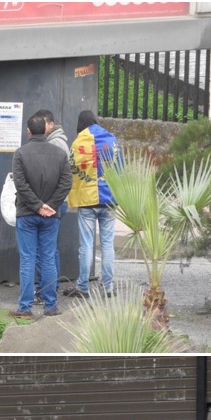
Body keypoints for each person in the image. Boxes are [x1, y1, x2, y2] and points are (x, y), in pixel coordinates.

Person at [11, 114, 72, 319]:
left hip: (26, 214)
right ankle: (50, 306)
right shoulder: (60, 154)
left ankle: (25, 307)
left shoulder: (20, 153)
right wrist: (51, 205)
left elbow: (20, 185)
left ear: (28, 131)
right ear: (46, 130)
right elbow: (66, 183)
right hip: (51, 215)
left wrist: (37, 206)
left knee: (27, 259)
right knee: (48, 258)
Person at [67, 110, 122, 300]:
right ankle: (108, 287)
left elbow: (72, 169)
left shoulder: (78, 142)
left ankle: (83, 286)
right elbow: (121, 167)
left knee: (86, 245)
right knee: (107, 244)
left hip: (87, 200)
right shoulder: (112, 140)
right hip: (110, 199)